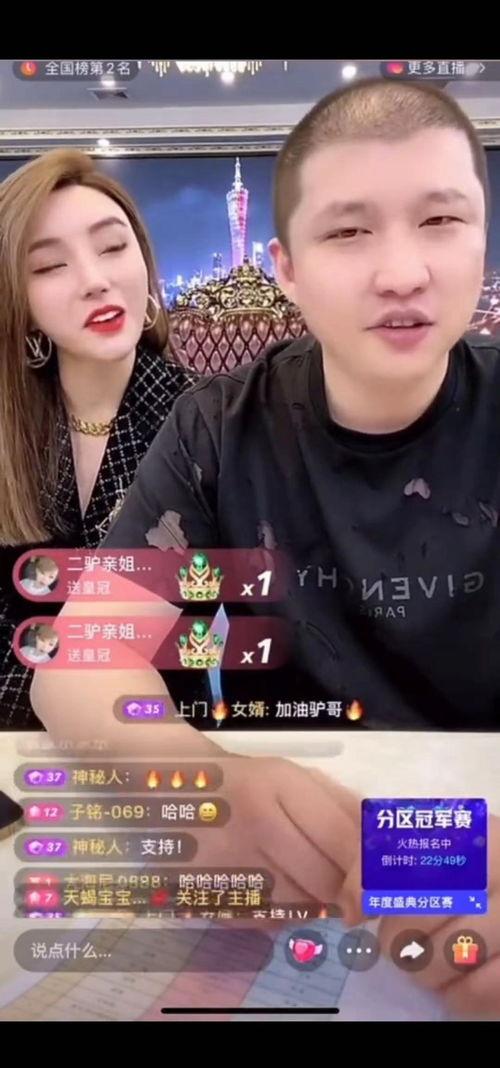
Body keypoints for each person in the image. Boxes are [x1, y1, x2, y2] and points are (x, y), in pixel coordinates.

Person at [32, 78, 500, 1016]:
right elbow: (76, 659)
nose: (401, 271)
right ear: (284, 267)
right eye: (348, 231)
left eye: (441, 220)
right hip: (291, 863)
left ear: (482, 240)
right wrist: (197, 780)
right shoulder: (217, 429)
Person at [0, 149, 195, 728]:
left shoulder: (209, 422)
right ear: (17, 301)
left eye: (112, 248)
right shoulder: (12, 427)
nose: (95, 281)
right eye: (49, 266)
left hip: (164, 738)